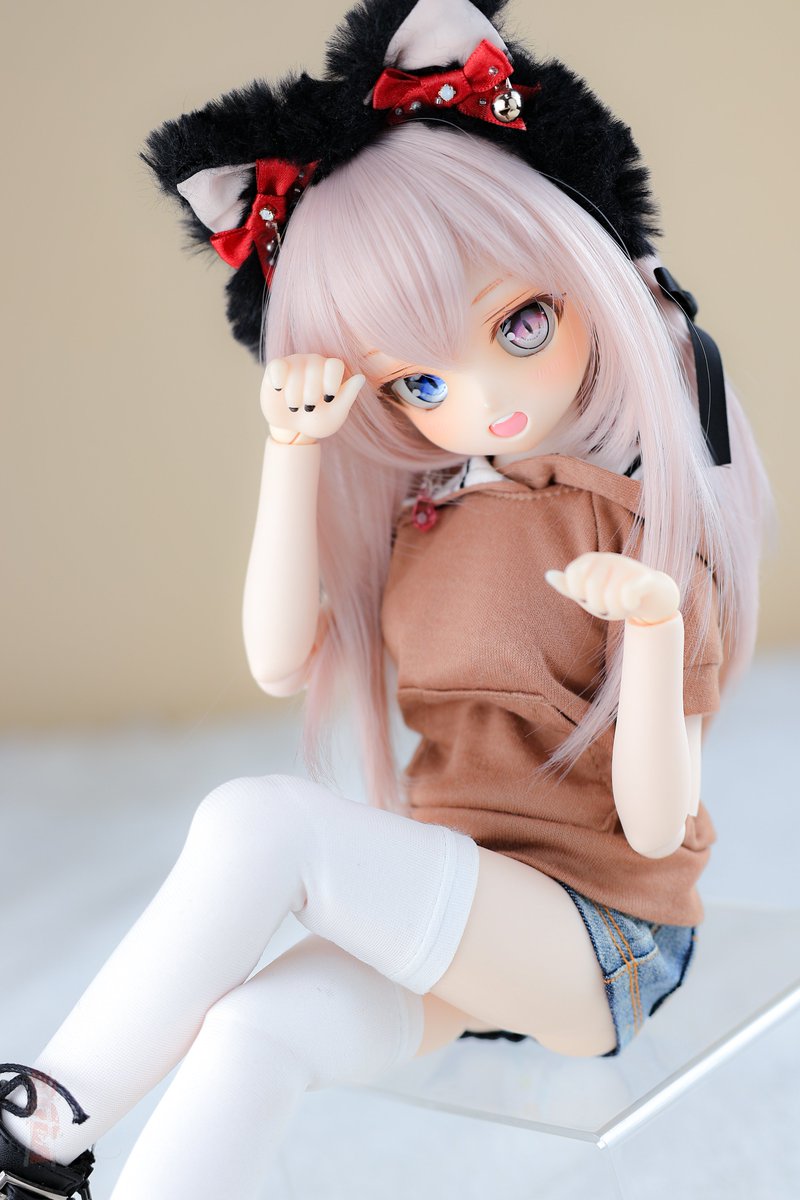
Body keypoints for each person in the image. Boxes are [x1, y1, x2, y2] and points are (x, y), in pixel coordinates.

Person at [0, 1, 772, 1197]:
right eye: (417, 381)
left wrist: (656, 628)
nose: (480, 397)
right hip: (456, 905)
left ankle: (38, 1126)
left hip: (598, 939)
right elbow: (278, 660)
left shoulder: (636, 532)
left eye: (521, 321)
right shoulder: (428, 520)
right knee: (252, 1030)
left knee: (263, 823)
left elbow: (658, 831)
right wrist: (292, 450)